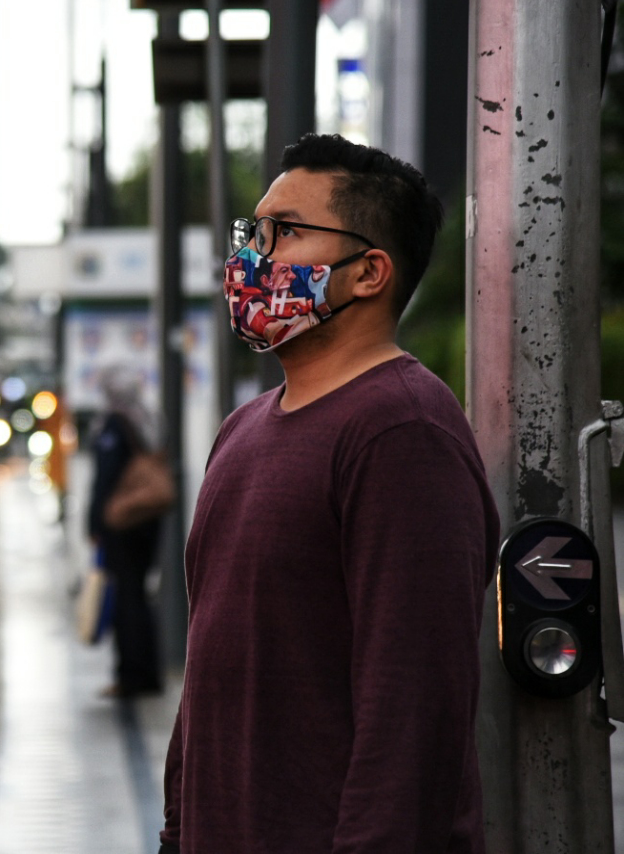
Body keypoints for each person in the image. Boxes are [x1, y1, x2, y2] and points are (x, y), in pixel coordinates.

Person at [160, 134, 499, 854]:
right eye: (253, 231)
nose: (252, 257)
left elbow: (412, 712)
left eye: (284, 232)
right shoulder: (243, 430)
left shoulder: (402, 431)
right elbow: (210, 676)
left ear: (369, 272)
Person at [86, 367, 163, 699]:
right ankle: (148, 671)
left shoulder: (115, 423)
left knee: (125, 599)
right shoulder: (147, 415)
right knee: (139, 595)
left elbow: (106, 477)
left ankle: (132, 675)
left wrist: (94, 523)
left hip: (123, 520)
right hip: (148, 516)